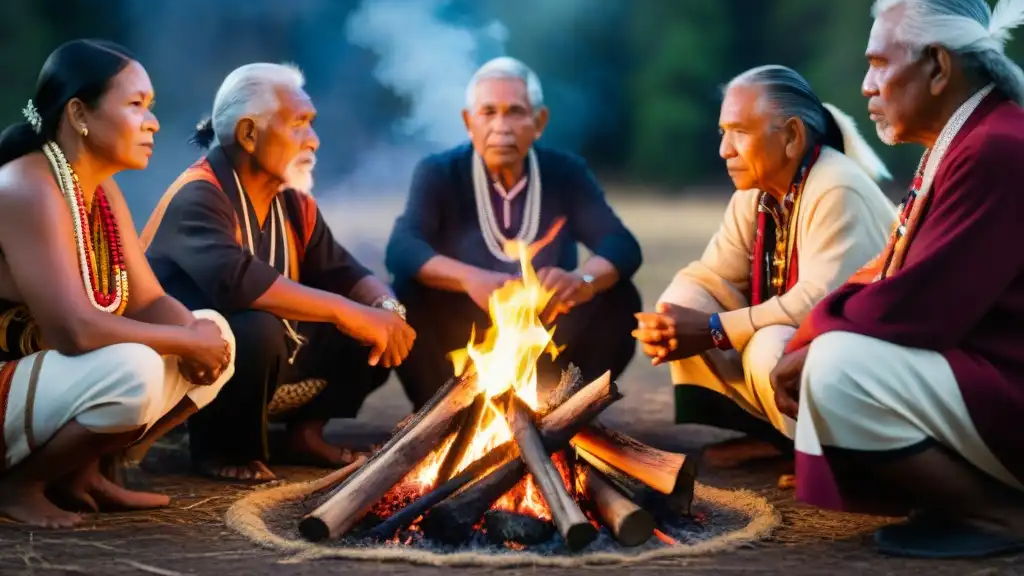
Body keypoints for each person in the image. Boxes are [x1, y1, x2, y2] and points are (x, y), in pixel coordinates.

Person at [770, 0, 1024, 559]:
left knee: (837, 369)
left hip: (1012, 380)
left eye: (880, 64)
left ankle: (1001, 516)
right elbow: (895, 274)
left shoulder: (995, 147)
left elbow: (922, 305)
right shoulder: (969, 138)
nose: (865, 86)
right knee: (815, 355)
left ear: (937, 66)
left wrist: (815, 334)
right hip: (997, 369)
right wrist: (807, 334)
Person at [142, 62, 416, 483]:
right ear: (249, 134)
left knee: (372, 325)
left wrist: (385, 308)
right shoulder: (199, 195)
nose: (315, 139)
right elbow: (238, 282)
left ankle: (304, 434)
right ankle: (222, 448)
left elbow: (343, 270)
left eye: (312, 123)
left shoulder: (292, 202)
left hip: (272, 359)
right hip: (195, 367)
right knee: (254, 328)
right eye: (300, 124)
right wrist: (350, 312)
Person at [0, 39, 235, 528]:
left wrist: (197, 337)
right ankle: (18, 484)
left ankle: (78, 474)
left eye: (150, 107)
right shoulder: (26, 186)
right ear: (80, 113)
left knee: (217, 331)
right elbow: (75, 332)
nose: (152, 122)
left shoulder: (100, 189)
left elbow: (147, 298)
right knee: (135, 369)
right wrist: (183, 341)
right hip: (9, 376)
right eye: (135, 105)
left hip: (47, 380)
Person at [636, 65, 896, 464]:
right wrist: (669, 321)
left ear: (791, 136)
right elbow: (716, 273)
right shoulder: (757, 189)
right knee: (685, 301)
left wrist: (714, 330)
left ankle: (831, 459)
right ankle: (780, 437)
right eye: (723, 132)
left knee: (768, 347)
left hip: (871, 368)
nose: (725, 149)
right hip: (809, 344)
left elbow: (820, 305)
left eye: (740, 131)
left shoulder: (836, 186)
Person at [385, 56, 643, 409]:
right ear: (468, 121)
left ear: (539, 122)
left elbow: (620, 245)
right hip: (463, 342)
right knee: (405, 292)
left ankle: (562, 408)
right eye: (488, 112)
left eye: (515, 112)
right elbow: (402, 248)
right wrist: (468, 279)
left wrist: (582, 281)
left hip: (545, 337)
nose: (501, 126)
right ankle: (444, 410)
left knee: (619, 296)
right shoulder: (440, 172)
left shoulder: (564, 172)